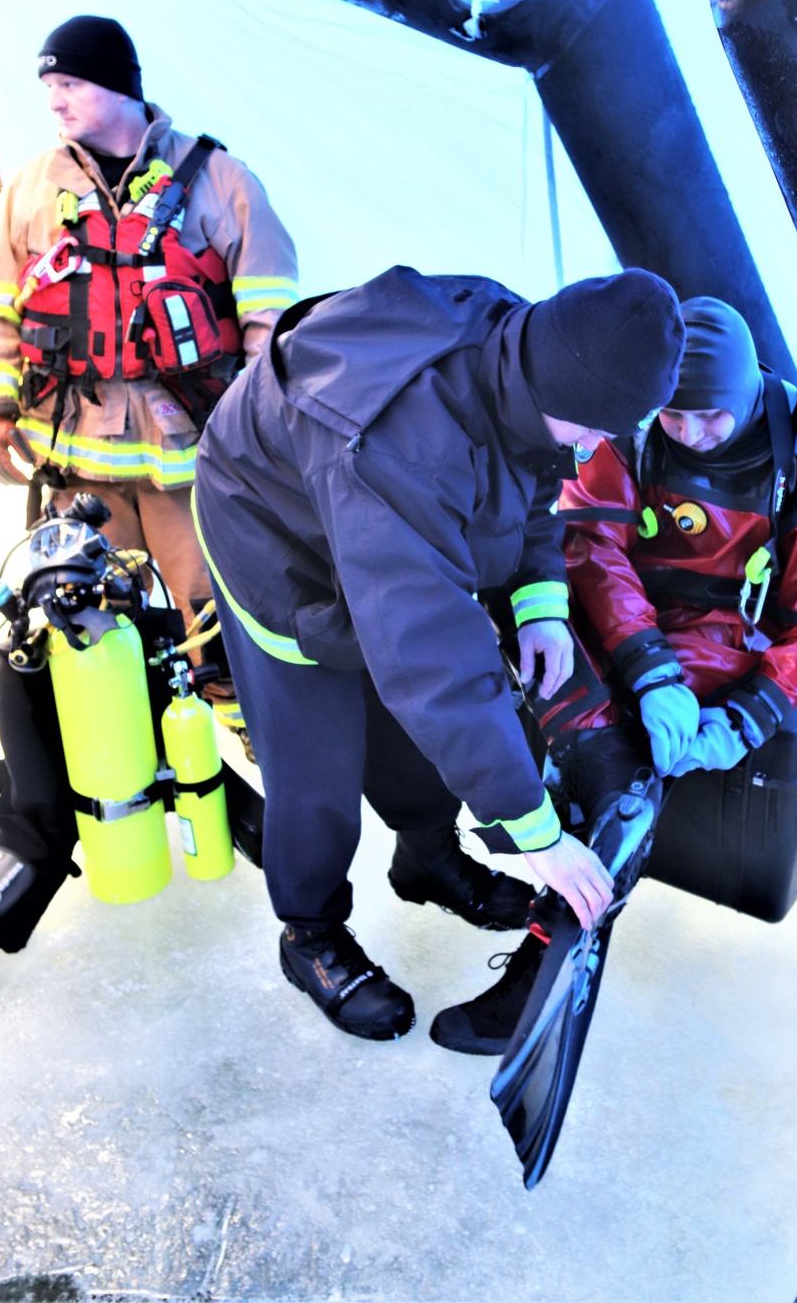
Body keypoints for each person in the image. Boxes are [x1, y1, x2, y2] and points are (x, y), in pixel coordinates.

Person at [193, 264, 687, 1041]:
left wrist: (540, 605)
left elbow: (532, 469)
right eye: (591, 429)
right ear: (558, 387)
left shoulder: (529, 348)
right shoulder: (405, 450)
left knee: (407, 727)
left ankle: (425, 857)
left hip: (361, 501)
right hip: (274, 533)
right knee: (317, 755)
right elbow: (436, 664)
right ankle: (310, 933)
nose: (593, 448)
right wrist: (538, 835)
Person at [431, 297, 797, 1053]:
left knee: (626, 776)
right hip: (620, 608)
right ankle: (489, 844)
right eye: (678, 416)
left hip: (716, 630)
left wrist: (748, 719)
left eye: (713, 418)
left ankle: (549, 956)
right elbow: (592, 543)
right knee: (552, 693)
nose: (694, 434)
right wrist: (645, 666)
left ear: (744, 393)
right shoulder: (634, 421)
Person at [0, 15, 298, 743]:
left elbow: (270, 315)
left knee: (213, 611)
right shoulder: (29, 189)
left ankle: (250, 738)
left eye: (69, 83)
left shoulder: (220, 179)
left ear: (120, 86)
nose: (54, 101)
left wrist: (265, 429)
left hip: (189, 458)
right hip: (74, 461)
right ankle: (120, 746)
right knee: (88, 614)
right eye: (48, 86)